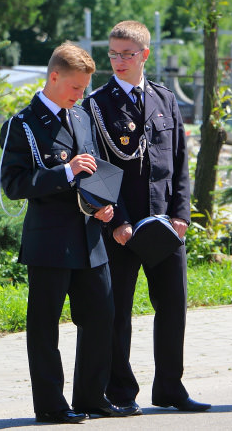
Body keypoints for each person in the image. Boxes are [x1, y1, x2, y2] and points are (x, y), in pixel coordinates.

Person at [0, 42, 139, 424]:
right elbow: (13, 184)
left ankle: (92, 398)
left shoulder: (80, 117)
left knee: (102, 317)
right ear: (55, 77)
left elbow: (95, 171)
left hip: (90, 237)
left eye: (83, 89)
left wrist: (104, 204)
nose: (80, 95)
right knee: (44, 326)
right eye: (75, 88)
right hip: (50, 240)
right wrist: (65, 172)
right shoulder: (22, 125)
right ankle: (50, 404)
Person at [82, 20, 210, 413]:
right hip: (121, 229)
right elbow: (96, 168)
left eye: (127, 54)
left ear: (145, 56)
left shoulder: (164, 99)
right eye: (113, 54)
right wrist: (117, 221)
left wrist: (182, 214)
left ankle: (170, 386)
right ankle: (121, 392)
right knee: (118, 312)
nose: (119, 61)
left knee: (173, 307)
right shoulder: (97, 104)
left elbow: (180, 162)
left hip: (166, 225)